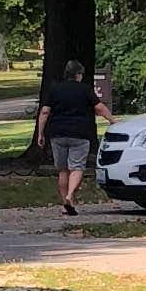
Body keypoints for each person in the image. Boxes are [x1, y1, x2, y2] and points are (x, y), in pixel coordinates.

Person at [36, 48, 98, 220]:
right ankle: (70, 196)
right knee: (77, 167)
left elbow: (44, 112)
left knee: (63, 170)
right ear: (78, 74)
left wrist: (40, 133)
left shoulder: (55, 89)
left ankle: (65, 204)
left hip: (58, 134)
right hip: (80, 134)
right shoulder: (85, 90)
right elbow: (99, 107)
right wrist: (113, 121)